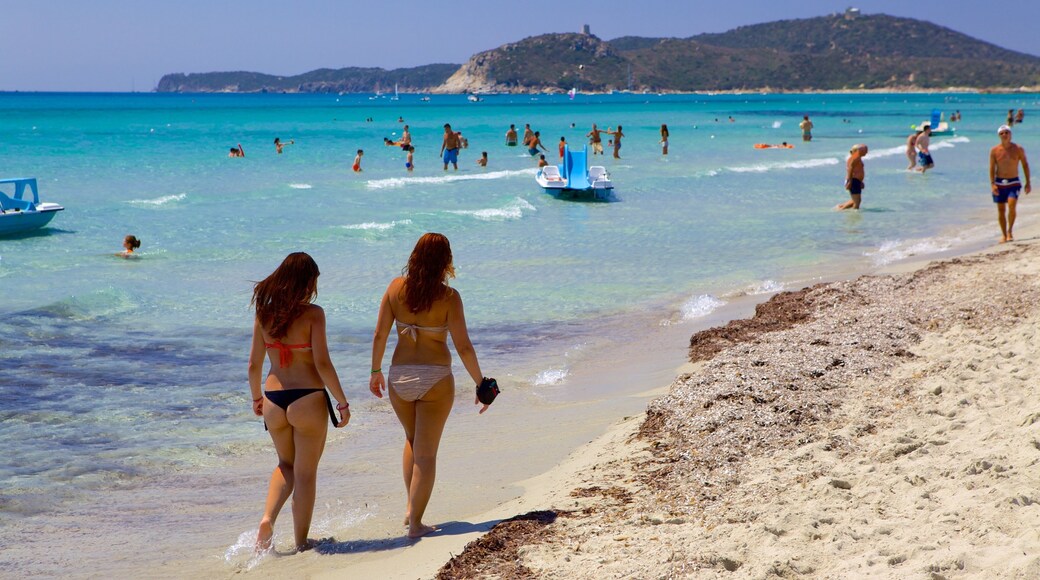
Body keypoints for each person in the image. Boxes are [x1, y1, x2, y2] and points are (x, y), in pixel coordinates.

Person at [369, 233, 490, 539]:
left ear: (414, 257)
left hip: (399, 377)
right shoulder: (449, 298)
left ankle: (411, 510)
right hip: (435, 377)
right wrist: (481, 384)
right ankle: (416, 524)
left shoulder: (395, 289)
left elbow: (380, 335)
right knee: (426, 454)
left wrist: (375, 371)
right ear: (445, 262)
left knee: (411, 440)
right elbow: (463, 346)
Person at [248, 252, 350, 552]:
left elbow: (254, 365)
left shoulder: (263, 315)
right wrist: (342, 402)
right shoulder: (314, 314)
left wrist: (256, 397)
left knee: (284, 465)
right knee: (305, 473)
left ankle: (268, 517)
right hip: (307, 398)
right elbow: (323, 364)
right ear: (306, 282)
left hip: (273, 397)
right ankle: (302, 542)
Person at [990, 125, 1032, 243]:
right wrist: (992, 183)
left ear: (1010, 134)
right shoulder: (994, 150)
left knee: (1012, 206)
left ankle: (1010, 232)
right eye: (1002, 133)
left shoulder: (1018, 149)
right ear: (999, 136)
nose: (1004, 135)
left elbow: (1025, 165)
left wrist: (1028, 182)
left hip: (1013, 182)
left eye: (1006, 132)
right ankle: (1004, 234)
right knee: (1001, 210)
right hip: (999, 183)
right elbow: (992, 168)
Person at [837, 144, 868, 211]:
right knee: (857, 201)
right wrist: (850, 181)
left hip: (856, 181)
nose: (866, 152)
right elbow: (850, 169)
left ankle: (840, 208)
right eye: (865, 150)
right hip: (853, 180)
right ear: (859, 150)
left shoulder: (857, 157)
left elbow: (857, 170)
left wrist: (861, 181)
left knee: (854, 200)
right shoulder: (855, 158)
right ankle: (854, 215)